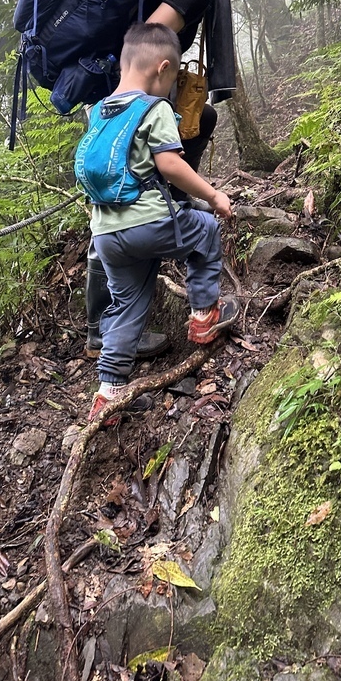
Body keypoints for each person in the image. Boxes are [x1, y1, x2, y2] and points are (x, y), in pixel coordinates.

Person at [84, 0, 278, 358]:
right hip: (121, 104)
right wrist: (151, 105)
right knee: (118, 199)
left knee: (202, 118)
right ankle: (100, 328)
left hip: (119, 102)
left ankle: (167, 199)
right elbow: (149, 36)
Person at [83, 22, 239, 423]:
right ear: (163, 68)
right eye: (173, 78)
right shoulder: (155, 109)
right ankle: (204, 314)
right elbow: (170, 163)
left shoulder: (99, 111)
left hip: (106, 236)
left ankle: (109, 393)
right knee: (203, 230)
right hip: (148, 223)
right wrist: (213, 195)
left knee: (126, 304)